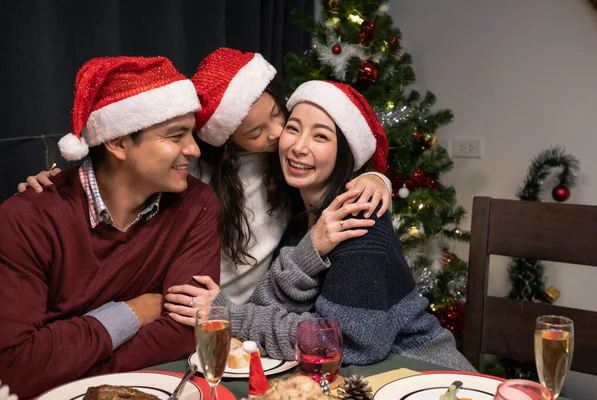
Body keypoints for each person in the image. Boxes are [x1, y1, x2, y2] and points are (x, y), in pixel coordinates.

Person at [19, 48, 393, 307]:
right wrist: (62, 185)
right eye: (256, 133)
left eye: (280, 115)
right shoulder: (194, 171)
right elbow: (130, 173)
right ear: (227, 138)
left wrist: (376, 178)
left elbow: (333, 164)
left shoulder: (288, 162)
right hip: (210, 310)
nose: (280, 135)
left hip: (263, 311)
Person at [171, 80, 474, 372]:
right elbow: (266, 304)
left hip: (425, 373)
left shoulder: (358, 221)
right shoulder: (298, 216)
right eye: (293, 129)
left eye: (320, 136)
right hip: (363, 379)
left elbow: (346, 342)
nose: (298, 147)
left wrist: (230, 317)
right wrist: (309, 251)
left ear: (344, 151)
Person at [0, 56, 220, 398]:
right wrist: (133, 312)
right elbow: (15, 366)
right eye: (175, 136)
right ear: (117, 142)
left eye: (191, 133)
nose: (193, 149)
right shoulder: (27, 219)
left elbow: (185, 329)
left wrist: (64, 364)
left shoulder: (196, 204)